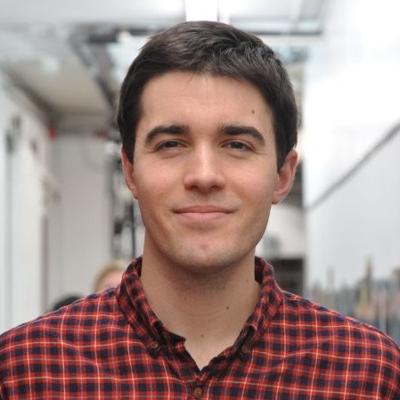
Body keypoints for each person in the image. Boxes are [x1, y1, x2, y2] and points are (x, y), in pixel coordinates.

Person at [0, 21, 399, 399]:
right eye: (171, 144)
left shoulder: (370, 375)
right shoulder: (24, 373)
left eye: (237, 145)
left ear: (282, 175)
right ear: (131, 171)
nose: (204, 176)